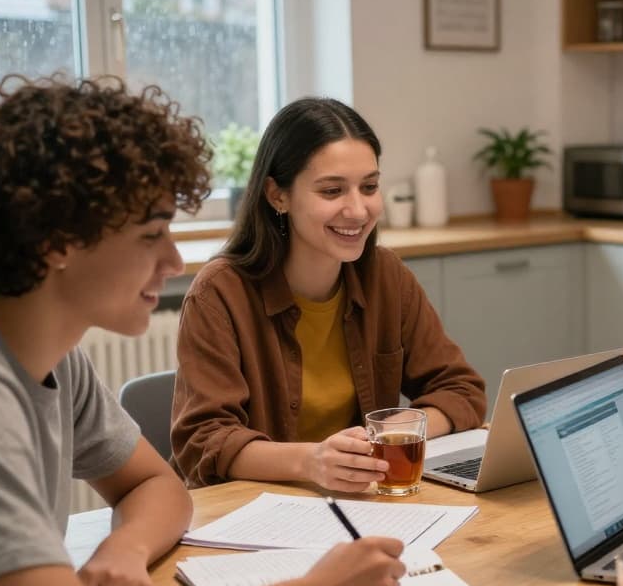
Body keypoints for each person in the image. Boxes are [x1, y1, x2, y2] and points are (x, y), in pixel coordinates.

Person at [0, 77, 406, 586]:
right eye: (151, 234)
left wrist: (124, 548)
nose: (175, 262)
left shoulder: (47, 353)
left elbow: (157, 486)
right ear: (55, 242)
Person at [172, 97, 485, 489]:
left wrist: (397, 431)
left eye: (369, 187)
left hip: (360, 501)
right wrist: (312, 461)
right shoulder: (219, 294)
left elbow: (462, 390)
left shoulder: (386, 276)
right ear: (277, 196)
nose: (358, 210)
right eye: (332, 191)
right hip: (254, 514)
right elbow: (203, 440)